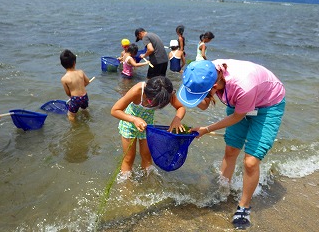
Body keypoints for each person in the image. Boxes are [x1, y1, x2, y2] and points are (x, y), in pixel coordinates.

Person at [177, 60, 286, 230]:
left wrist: (206, 129)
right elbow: (205, 105)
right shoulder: (205, 71)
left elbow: (237, 117)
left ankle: (244, 207)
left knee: (250, 161)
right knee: (231, 149)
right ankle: (223, 190)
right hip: (239, 103)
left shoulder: (242, 85)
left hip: (268, 105)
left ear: (214, 85)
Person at [111, 76, 186, 178]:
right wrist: (134, 119)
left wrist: (177, 119)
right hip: (129, 124)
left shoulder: (166, 93)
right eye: (151, 102)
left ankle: (148, 182)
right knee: (129, 158)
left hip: (148, 127)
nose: (152, 105)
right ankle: (126, 187)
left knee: (147, 156)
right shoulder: (138, 90)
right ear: (147, 93)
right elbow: (115, 110)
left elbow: (180, 107)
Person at [60, 49, 92, 121]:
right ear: (74, 63)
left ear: (62, 65)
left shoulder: (64, 79)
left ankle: (75, 128)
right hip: (84, 97)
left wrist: (72, 97)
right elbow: (87, 81)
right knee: (84, 109)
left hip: (75, 99)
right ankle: (87, 119)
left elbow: (68, 92)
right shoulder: (80, 72)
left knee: (71, 115)